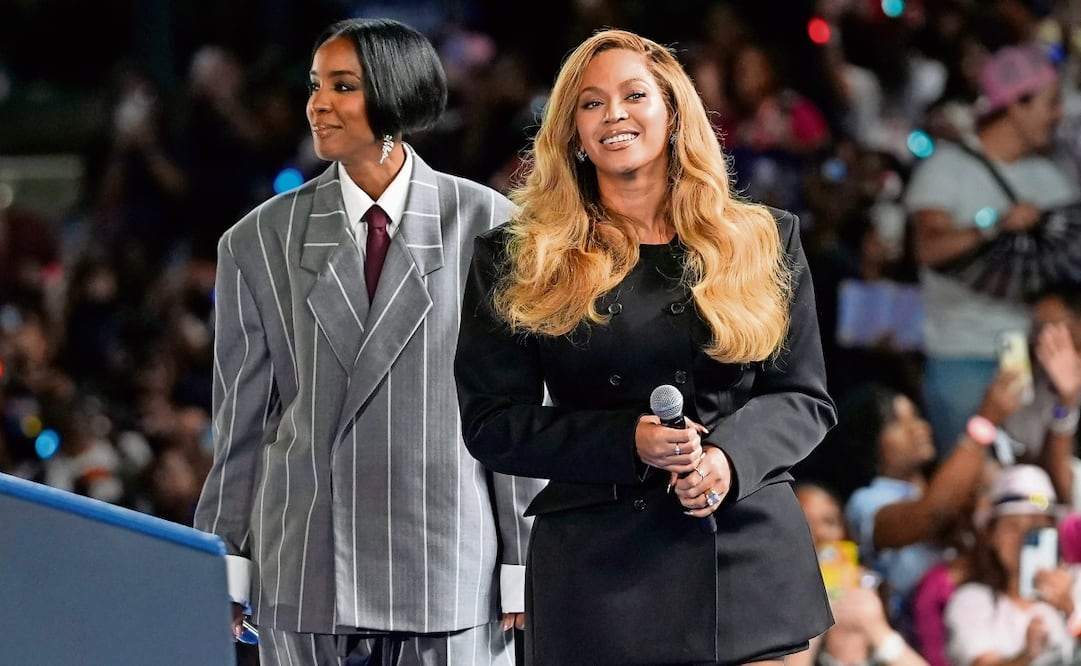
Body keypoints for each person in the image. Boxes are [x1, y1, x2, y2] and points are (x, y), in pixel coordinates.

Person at [454, 28, 838, 665]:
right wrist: (625, 441)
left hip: (743, 559)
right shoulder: (517, 257)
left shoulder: (764, 239)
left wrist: (726, 462)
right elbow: (492, 424)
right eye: (590, 103)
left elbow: (802, 397)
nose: (614, 115)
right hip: (599, 575)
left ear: (675, 112)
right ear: (570, 131)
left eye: (634, 95)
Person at [192, 18, 545, 665]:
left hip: (447, 563)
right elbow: (239, 423)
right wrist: (224, 559)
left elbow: (517, 413)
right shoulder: (255, 240)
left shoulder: (491, 226)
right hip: (306, 570)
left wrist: (525, 558)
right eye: (315, 85)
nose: (317, 104)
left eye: (342, 86)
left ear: (395, 96)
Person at [903, 42, 1079, 456]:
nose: (1058, 115)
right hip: (962, 357)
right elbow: (928, 248)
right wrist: (994, 223)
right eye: (1051, 103)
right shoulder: (947, 168)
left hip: (1031, 360)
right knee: (972, 483)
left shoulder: (1051, 177)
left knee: (1026, 488)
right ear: (1017, 104)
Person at [944, 464, 1080, 666]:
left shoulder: (1077, 584)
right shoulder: (971, 600)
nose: (1023, 539)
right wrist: (1026, 656)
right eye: (1012, 527)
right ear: (992, 537)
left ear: (1052, 531)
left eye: (1035, 527)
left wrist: (1070, 610)